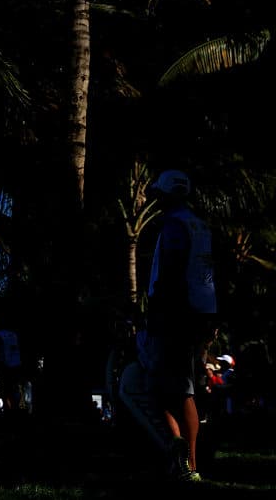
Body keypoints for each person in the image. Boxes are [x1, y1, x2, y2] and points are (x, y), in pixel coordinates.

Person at [141, 169, 217, 483]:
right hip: (200, 311)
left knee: (171, 390)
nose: (155, 201)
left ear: (168, 195)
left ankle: (188, 465)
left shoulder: (174, 224)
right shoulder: (199, 224)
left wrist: (158, 308)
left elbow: (172, 268)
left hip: (175, 313)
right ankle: (183, 461)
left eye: (158, 195)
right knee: (177, 388)